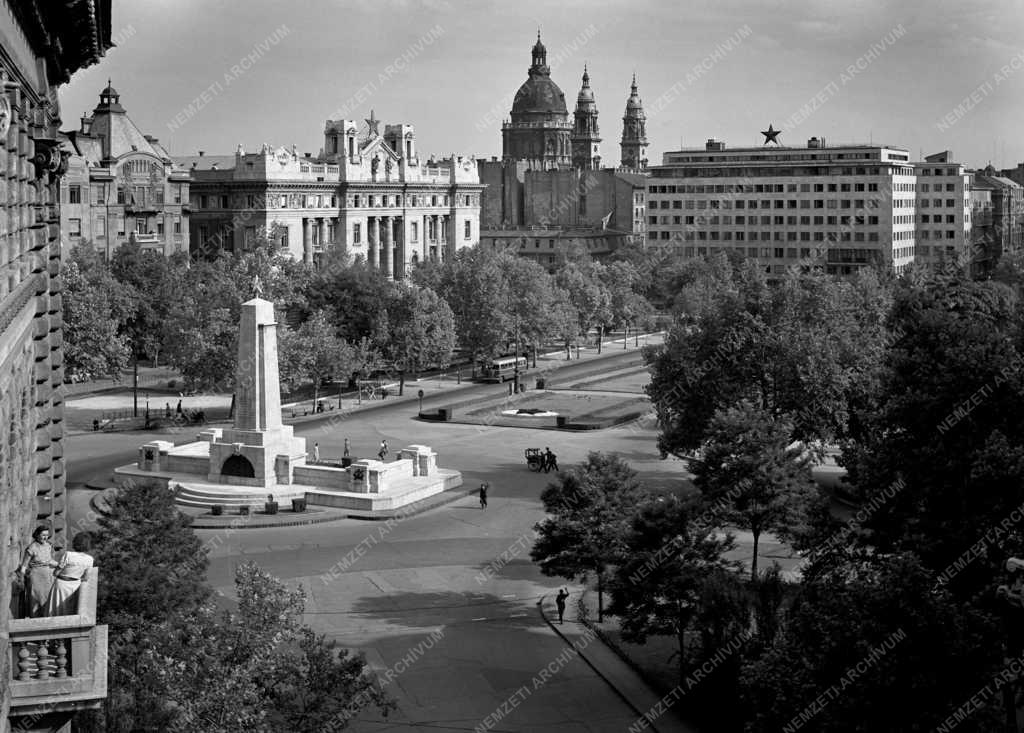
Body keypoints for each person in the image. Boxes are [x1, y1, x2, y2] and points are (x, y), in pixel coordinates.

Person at [46, 532, 95, 616]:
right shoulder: (90, 559)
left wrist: (55, 566)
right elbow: (86, 577)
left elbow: (56, 572)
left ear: (75, 543)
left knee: (55, 611)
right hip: (75, 586)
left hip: (61, 584)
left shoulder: (68, 554)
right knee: (70, 610)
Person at [15, 526, 59, 618]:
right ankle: (35, 619)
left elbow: (50, 560)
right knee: (36, 598)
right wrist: (21, 579)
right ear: (37, 535)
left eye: (47, 535)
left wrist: (61, 564)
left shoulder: (49, 546)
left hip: (47, 575)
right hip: (36, 576)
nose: (45, 537)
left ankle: (47, 618)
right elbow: (24, 564)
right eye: (43, 535)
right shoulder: (32, 547)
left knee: (47, 597)